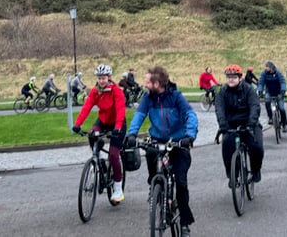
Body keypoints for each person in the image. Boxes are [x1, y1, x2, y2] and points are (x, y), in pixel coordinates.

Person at [126, 66, 198, 236]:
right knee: (151, 154)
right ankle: (155, 186)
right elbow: (139, 116)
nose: (144, 85)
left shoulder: (176, 97)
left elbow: (191, 115)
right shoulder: (148, 98)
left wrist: (189, 136)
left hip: (178, 142)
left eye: (147, 82)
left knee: (181, 183)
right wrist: (132, 134)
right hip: (157, 140)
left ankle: (185, 223)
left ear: (157, 84)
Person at [72, 64, 127, 203]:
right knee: (92, 134)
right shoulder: (95, 92)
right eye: (99, 78)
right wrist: (77, 124)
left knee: (113, 154)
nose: (101, 81)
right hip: (103, 120)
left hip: (118, 123)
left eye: (104, 78)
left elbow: (121, 111)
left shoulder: (116, 91)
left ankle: (118, 188)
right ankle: (99, 160)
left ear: (109, 78)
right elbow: (86, 108)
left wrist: (118, 127)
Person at [215, 64, 264, 184]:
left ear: (240, 78)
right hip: (231, 126)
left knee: (257, 147)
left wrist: (251, 123)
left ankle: (256, 170)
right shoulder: (222, 92)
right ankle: (232, 175)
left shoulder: (249, 90)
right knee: (227, 146)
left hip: (249, 124)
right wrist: (223, 124)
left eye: (234, 77)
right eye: (228, 77)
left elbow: (255, 107)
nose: (231, 79)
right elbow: (219, 109)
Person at [257, 61, 287, 132]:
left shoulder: (278, 73)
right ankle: (270, 117)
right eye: (266, 67)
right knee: (267, 102)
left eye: (267, 67)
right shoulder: (264, 73)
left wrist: (283, 91)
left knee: (281, 108)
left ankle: (284, 124)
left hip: (279, 92)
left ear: (271, 67)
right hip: (269, 92)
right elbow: (261, 83)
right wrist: (260, 91)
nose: (266, 68)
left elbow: (282, 82)